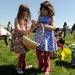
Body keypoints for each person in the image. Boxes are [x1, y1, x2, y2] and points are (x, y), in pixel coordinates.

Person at [32, 1, 57, 75]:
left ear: (49, 9)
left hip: (47, 38)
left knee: (46, 55)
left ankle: (47, 68)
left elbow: (53, 27)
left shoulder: (51, 17)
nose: (43, 11)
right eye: (42, 10)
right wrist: (35, 23)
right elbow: (37, 25)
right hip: (40, 37)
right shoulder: (40, 16)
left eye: (44, 10)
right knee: (38, 52)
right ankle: (41, 65)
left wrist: (44, 25)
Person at [11, 4, 32, 74]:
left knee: (24, 53)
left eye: (27, 11)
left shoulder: (25, 20)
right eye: (24, 10)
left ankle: (24, 66)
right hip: (18, 38)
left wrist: (29, 31)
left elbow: (26, 29)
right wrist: (25, 31)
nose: (26, 12)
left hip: (24, 37)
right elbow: (18, 28)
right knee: (22, 53)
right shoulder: (17, 18)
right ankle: (19, 67)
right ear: (20, 11)